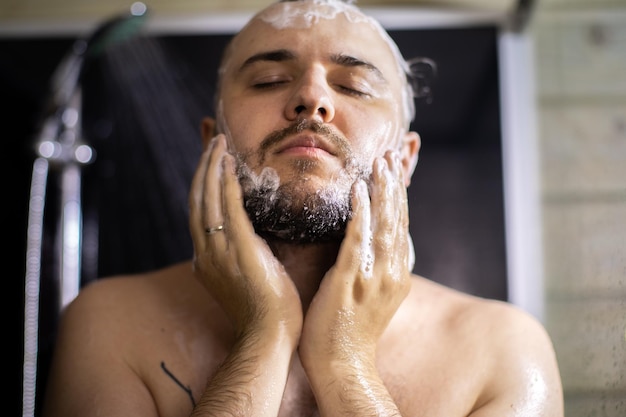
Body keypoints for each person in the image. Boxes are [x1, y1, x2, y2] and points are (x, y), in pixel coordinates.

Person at [41, 0, 564, 416]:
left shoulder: (501, 350)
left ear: (404, 160)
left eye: (353, 85)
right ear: (212, 143)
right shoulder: (111, 324)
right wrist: (262, 337)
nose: (312, 98)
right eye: (269, 80)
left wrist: (346, 362)